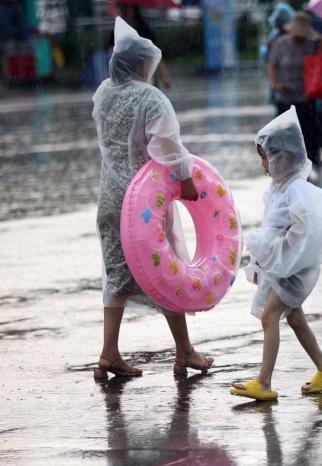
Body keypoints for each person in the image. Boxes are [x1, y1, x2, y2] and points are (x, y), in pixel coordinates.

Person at [92, 18, 213, 378]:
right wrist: (186, 179)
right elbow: (166, 144)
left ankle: (109, 353)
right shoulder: (151, 97)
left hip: (110, 198)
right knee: (165, 269)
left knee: (115, 275)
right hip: (143, 203)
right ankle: (185, 351)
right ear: (141, 65)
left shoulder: (103, 94)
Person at [231, 107, 322, 401]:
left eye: (266, 157)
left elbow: (304, 227)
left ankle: (264, 382)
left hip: (295, 270)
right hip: (283, 268)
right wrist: (261, 262)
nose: (263, 164)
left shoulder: (297, 191)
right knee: (294, 319)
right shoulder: (276, 190)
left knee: (269, 317)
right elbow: (271, 228)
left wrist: (284, 252)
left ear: (283, 157)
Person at [268, 12, 322, 172]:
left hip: (307, 96)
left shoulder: (312, 45)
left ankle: (313, 161)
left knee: (309, 131)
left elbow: (320, 63)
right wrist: (275, 84)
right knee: (285, 133)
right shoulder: (280, 44)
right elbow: (272, 66)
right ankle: (288, 165)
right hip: (285, 96)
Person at [116, 3, 172, 89]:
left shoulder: (143, 29)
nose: (123, 12)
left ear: (133, 10)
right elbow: (113, 56)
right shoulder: (118, 30)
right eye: (121, 8)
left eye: (126, 8)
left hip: (145, 76)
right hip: (126, 78)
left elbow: (155, 54)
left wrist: (164, 75)